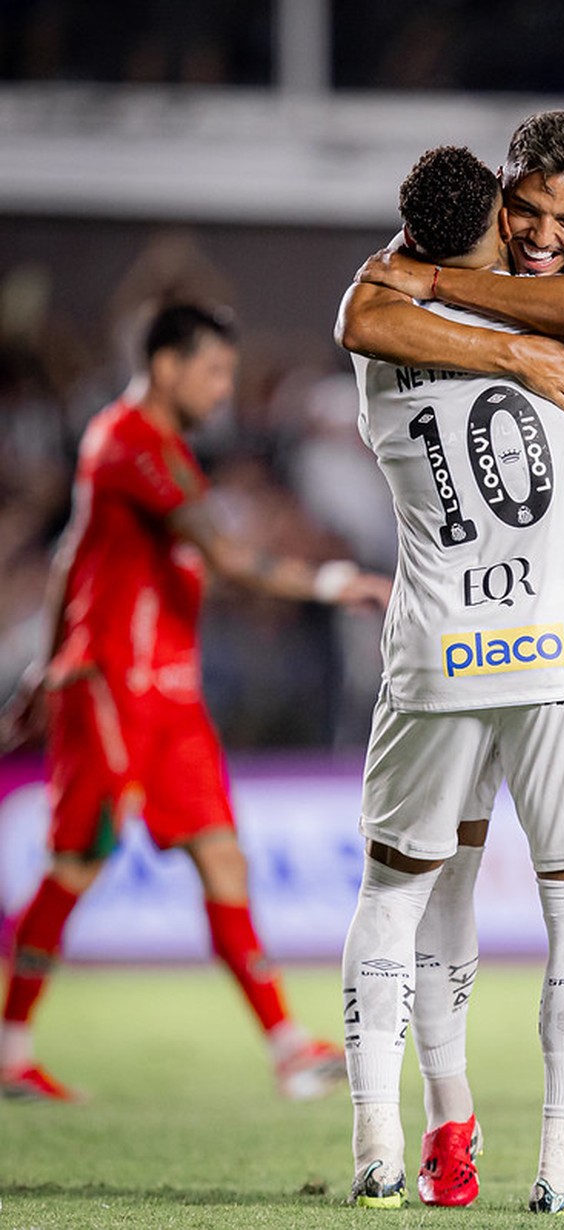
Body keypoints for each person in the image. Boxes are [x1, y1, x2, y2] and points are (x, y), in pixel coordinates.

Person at [339, 111, 564, 1213]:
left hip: (437, 657)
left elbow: (365, 310)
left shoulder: (387, 326)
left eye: (562, 217)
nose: (542, 233)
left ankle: (397, 1147)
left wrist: (429, 285)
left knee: (404, 893)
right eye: (523, 212)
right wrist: (533, 352)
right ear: (499, 204)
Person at [0, 302, 391, 1103]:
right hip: (113, 686)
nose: (223, 390)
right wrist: (330, 581)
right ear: (168, 365)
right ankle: (10, 1049)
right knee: (76, 864)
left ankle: (286, 1047)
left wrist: (42, 662)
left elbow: (77, 552)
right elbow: (224, 555)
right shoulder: (131, 441)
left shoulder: (150, 447)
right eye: (213, 372)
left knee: (222, 857)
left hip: (169, 693)